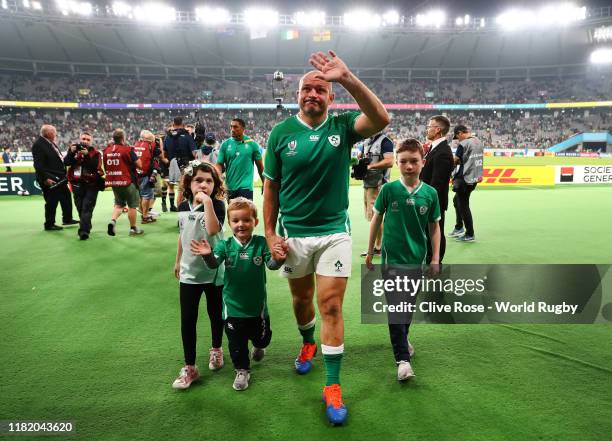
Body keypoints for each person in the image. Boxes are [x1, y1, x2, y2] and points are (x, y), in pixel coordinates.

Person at [263, 50, 390, 425]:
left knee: (330, 305)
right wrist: (269, 233)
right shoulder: (281, 133)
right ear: (298, 94)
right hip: (294, 235)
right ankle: (307, 341)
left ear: (330, 97)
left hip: (335, 233)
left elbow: (382, 118)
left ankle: (332, 386)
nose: (313, 94)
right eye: (307, 89)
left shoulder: (343, 127)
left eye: (321, 89)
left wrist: (347, 77)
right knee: (302, 301)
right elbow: (271, 189)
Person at [365, 139, 441, 381]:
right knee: (397, 308)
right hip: (391, 260)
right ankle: (402, 361)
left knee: (407, 307)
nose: (409, 166)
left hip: (416, 260)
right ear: (396, 164)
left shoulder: (430, 193)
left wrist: (435, 258)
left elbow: (435, 228)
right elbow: (376, 220)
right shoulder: (388, 190)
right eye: (404, 161)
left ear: (422, 163)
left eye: (414, 161)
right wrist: (370, 251)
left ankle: (403, 337)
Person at [191, 197, 285, 391]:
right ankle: (242, 370)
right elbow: (213, 264)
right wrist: (208, 255)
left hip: (258, 309)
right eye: (235, 221)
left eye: (246, 220)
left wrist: (280, 259)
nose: (241, 224)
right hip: (233, 307)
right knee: (236, 344)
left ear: (255, 222)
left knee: (262, 339)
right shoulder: (225, 246)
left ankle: (259, 346)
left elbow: (271, 265)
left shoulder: (261, 243)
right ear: (229, 223)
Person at [171, 161, 227, 390]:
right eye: (198, 180)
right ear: (189, 183)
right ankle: (190, 366)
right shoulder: (183, 205)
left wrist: (206, 203)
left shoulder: (218, 205)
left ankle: (216, 349)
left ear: (215, 185)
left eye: (209, 181)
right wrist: (177, 260)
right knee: (188, 320)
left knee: (215, 314)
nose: (203, 185)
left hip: (213, 271)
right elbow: (182, 234)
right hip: (189, 272)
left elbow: (213, 230)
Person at [420, 115, 454, 264]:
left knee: (436, 232)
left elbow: (437, 184)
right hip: (430, 200)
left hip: (435, 202)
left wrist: (428, 202)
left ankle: (436, 262)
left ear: (437, 130)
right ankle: (430, 259)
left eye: (429, 126)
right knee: (430, 232)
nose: (427, 129)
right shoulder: (435, 148)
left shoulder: (443, 152)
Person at [32, 124, 78, 231]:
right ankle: (49, 224)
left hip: (59, 177)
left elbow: (60, 160)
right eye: (54, 132)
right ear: (49, 133)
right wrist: (45, 179)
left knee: (66, 196)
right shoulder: (39, 144)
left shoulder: (49, 143)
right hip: (50, 178)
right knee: (52, 201)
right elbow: (38, 165)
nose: (56, 134)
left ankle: (67, 218)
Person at [358, 131, 394, 257]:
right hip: (368, 183)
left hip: (378, 183)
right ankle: (376, 246)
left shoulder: (385, 141)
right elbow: (360, 157)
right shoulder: (367, 140)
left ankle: (378, 247)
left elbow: (390, 161)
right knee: (372, 216)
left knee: (376, 216)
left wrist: (370, 166)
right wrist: (359, 164)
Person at [103, 128, 144, 237]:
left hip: (114, 182)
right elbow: (139, 165)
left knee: (118, 205)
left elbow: (106, 167)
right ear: (123, 138)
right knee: (132, 206)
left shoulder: (107, 150)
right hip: (128, 182)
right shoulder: (127, 149)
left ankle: (113, 221)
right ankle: (133, 229)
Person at [63, 131, 104, 240]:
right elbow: (66, 162)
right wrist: (71, 153)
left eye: (87, 139)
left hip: (91, 184)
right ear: (80, 139)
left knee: (87, 207)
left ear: (91, 141)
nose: (85, 141)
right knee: (80, 208)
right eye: (83, 139)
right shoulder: (73, 149)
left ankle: (83, 231)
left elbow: (94, 167)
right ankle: (86, 225)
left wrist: (86, 156)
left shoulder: (96, 153)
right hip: (76, 184)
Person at [449, 125, 484, 242]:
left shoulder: (463, 144)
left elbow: (456, 160)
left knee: (463, 205)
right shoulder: (478, 141)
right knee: (456, 201)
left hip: (464, 178)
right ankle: (459, 227)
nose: (458, 139)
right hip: (474, 178)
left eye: (457, 137)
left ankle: (469, 233)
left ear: (460, 133)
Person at [215, 118, 264, 201]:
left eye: (235, 127)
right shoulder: (225, 145)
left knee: (246, 213)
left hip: (246, 188)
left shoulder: (252, 144)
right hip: (230, 188)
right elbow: (219, 164)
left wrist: (264, 183)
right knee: (233, 213)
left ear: (243, 128)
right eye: (231, 127)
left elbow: (260, 167)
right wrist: (217, 180)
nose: (232, 130)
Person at [164, 116, 197, 211]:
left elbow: (165, 153)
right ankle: (185, 214)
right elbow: (194, 153)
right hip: (186, 166)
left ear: (173, 125)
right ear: (183, 125)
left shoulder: (168, 137)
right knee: (185, 191)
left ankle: (180, 216)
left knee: (180, 190)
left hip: (173, 166)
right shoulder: (187, 136)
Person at [133, 130, 157, 224]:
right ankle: (145, 216)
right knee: (146, 196)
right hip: (146, 174)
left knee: (140, 195)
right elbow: (160, 154)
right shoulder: (151, 145)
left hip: (136, 174)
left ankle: (143, 214)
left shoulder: (136, 144)